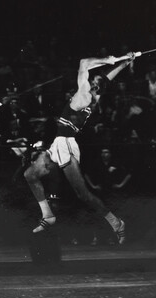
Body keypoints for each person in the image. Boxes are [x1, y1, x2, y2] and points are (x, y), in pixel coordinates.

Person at [23, 53, 134, 243]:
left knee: (83, 194)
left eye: (95, 79)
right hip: (59, 142)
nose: (92, 78)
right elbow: (107, 77)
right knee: (30, 175)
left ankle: (116, 222)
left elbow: (83, 62)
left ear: (94, 84)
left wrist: (108, 59)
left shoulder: (84, 91)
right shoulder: (95, 96)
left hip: (66, 144)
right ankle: (48, 215)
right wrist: (124, 63)